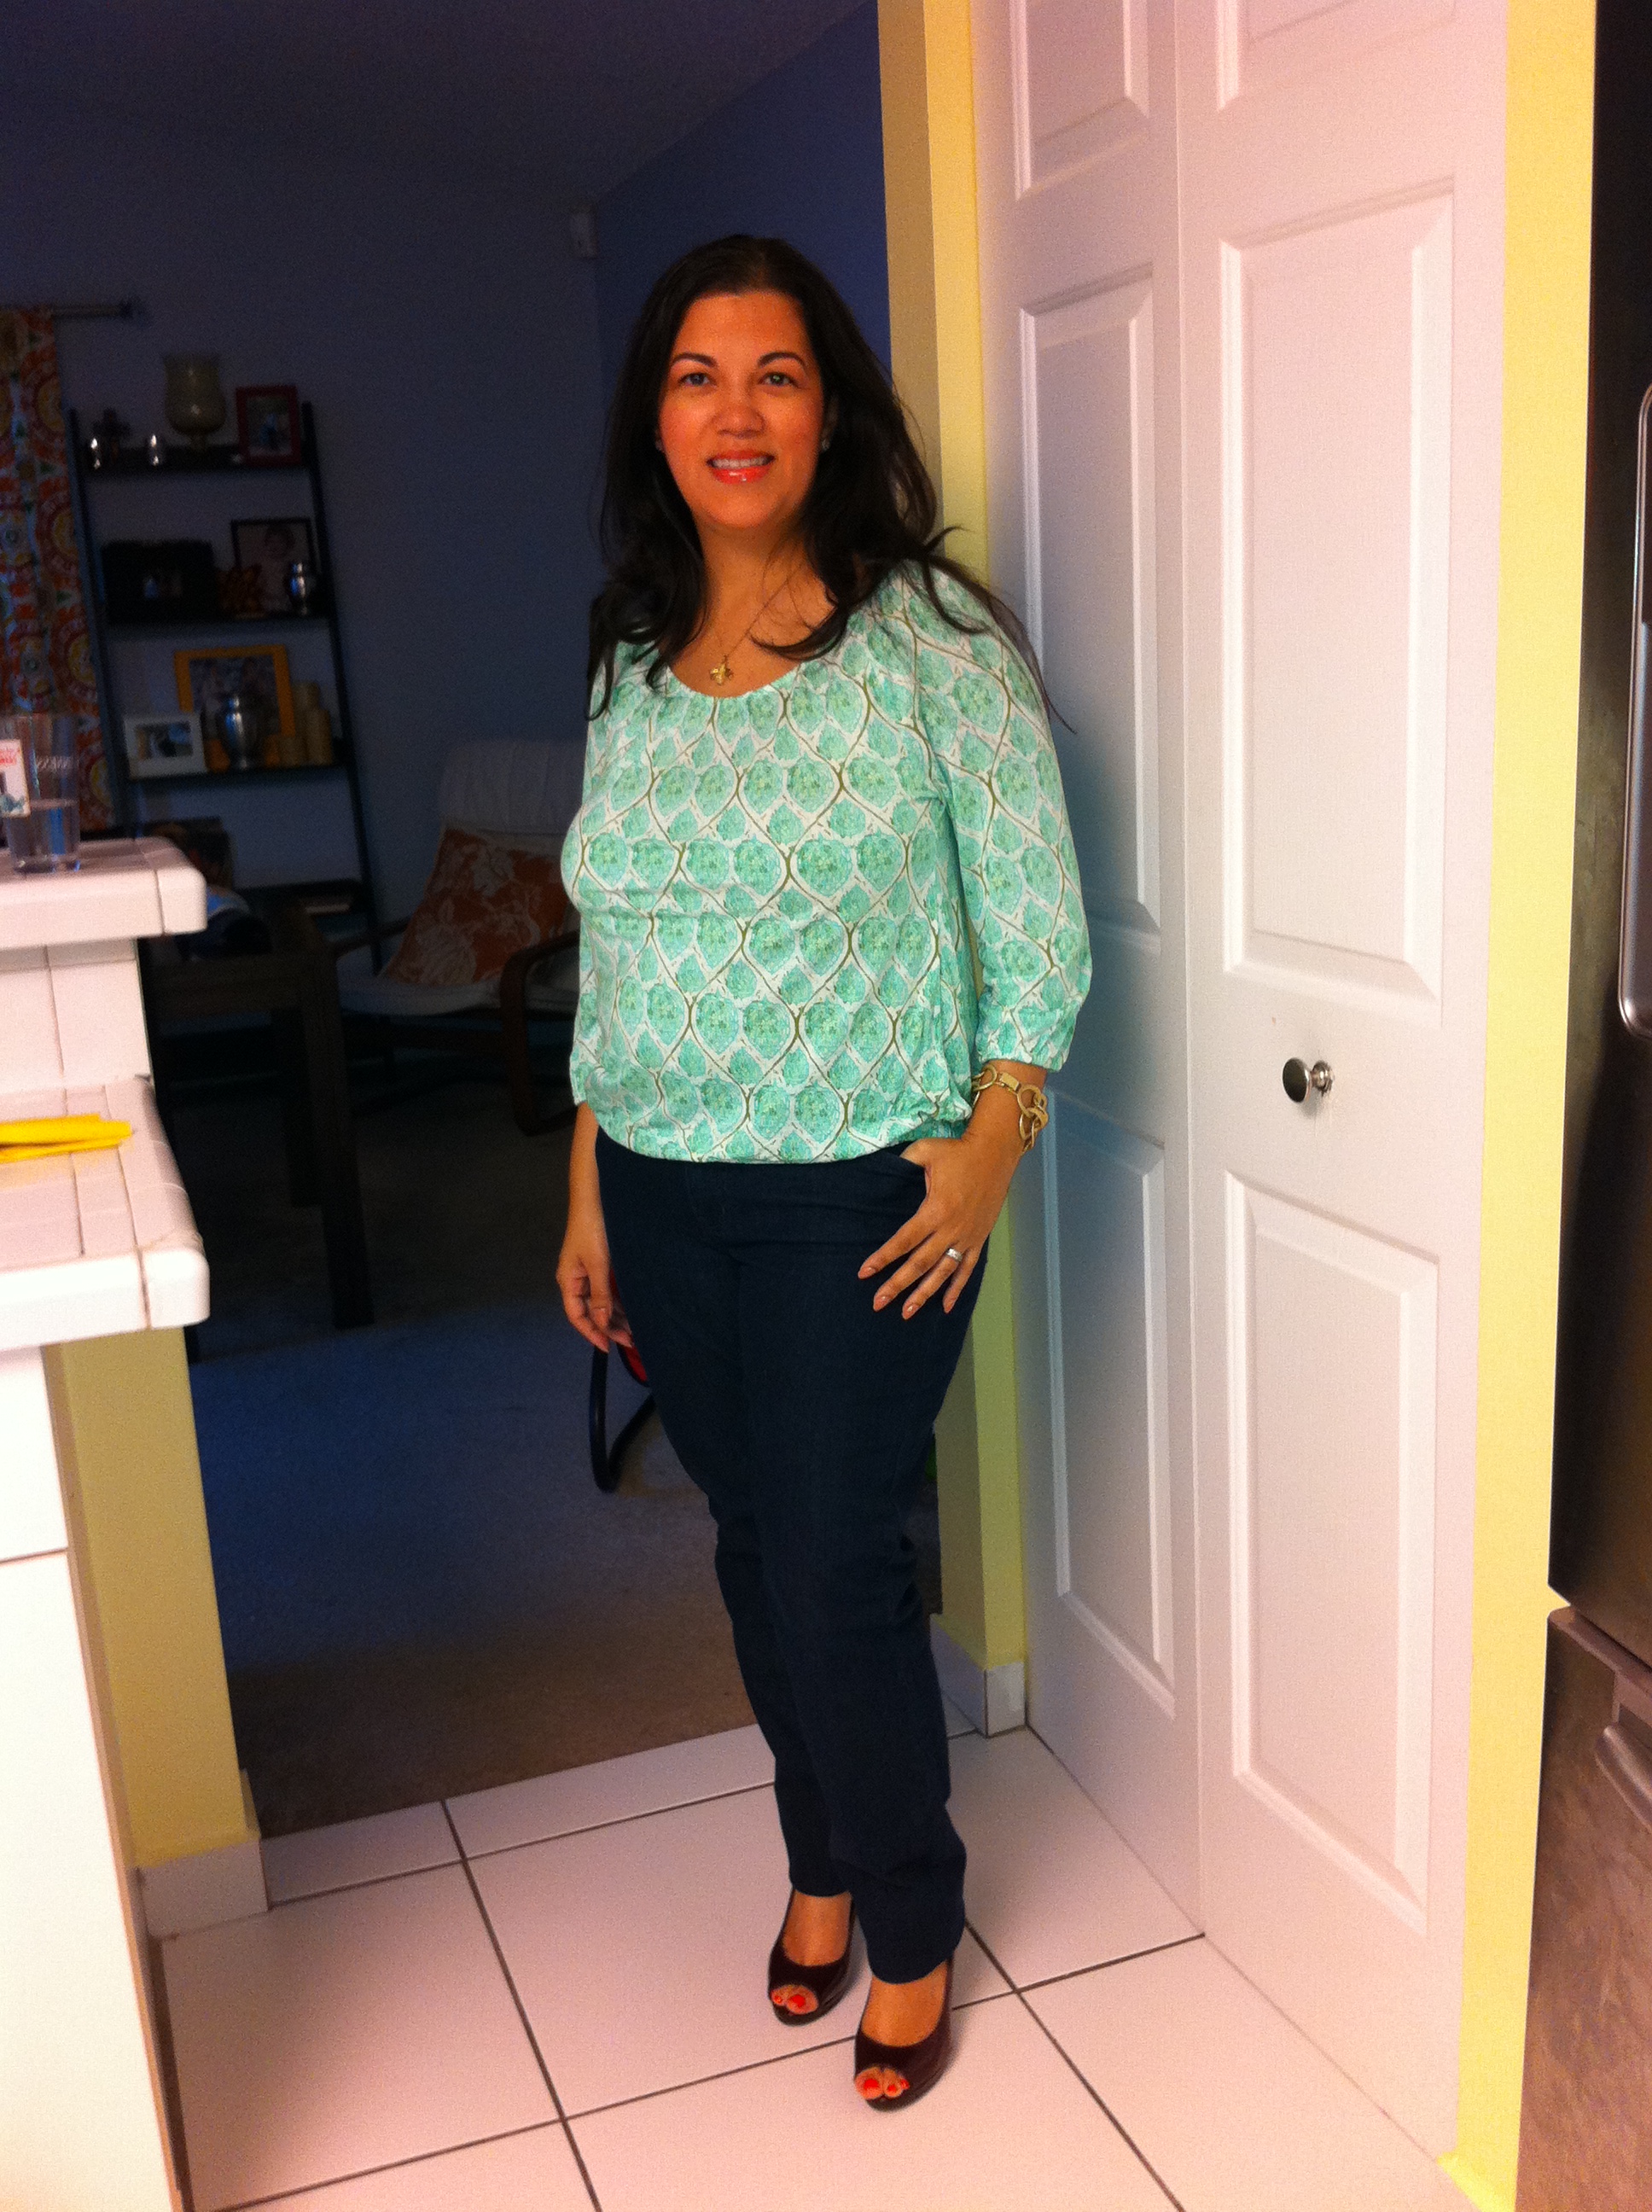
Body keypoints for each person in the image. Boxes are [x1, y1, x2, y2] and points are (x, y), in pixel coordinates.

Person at [556, 235, 1091, 2110]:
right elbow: (619, 949)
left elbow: (1036, 923)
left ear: (831, 411)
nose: (737, 411)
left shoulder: (929, 641)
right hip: (661, 1181)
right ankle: (821, 1861)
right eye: (697, 375)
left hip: (861, 1195)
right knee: (749, 1542)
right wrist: (587, 1186)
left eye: (775, 373)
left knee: (837, 1560)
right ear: (657, 419)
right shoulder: (629, 659)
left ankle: (914, 1919)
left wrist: (992, 1149)